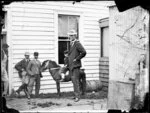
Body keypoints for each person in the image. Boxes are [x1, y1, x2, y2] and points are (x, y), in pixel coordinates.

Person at [68, 30, 86, 102]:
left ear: (75, 36)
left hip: (75, 66)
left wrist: (77, 59)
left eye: (72, 35)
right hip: (71, 66)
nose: (70, 37)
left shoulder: (77, 43)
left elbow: (84, 52)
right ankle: (76, 95)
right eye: (70, 35)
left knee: (76, 81)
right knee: (73, 81)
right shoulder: (71, 43)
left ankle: (77, 97)